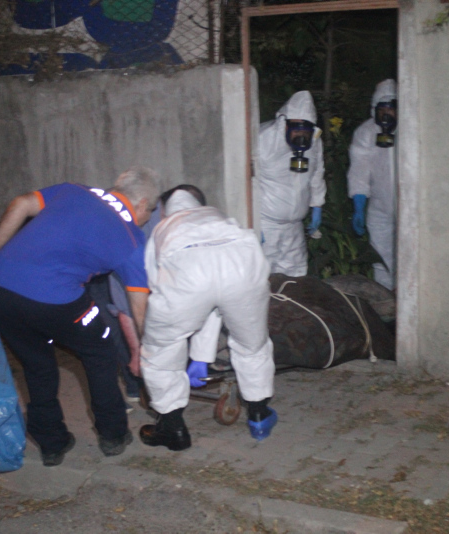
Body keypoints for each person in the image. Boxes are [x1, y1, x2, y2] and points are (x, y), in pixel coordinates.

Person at [0, 166, 160, 466]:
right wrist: (148, 351)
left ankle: (52, 444)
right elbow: (139, 310)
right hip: (53, 298)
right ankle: (112, 434)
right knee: (100, 351)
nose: (148, 217)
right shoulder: (131, 240)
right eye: (151, 210)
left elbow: (20, 204)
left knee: (36, 364)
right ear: (141, 204)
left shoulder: (74, 190)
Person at [139, 185, 277, 451]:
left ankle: (173, 429)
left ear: (165, 210)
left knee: (161, 352)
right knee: (252, 344)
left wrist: (192, 350)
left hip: (186, 267)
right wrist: (201, 356)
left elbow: (157, 285)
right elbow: (217, 297)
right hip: (243, 262)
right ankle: (259, 416)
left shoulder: (163, 228)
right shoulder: (221, 218)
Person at [257, 90, 326, 277]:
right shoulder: (263, 140)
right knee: (263, 278)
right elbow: (244, 179)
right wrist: (251, 223)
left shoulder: (314, 142)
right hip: (266, 225)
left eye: (306, 130)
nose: (302, 136)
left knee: (296, 277)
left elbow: (316, 173)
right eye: (297, 129)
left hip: (294, 227)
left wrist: (317, 204)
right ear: (284, 123)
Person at [347, 79, 398, 291]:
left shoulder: (411, 129)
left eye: (391, 109)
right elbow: (359, 170)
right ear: (374, 110)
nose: (387, 115)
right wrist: (359, 204)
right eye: (382, 109)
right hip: (379, 205)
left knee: (410, 256)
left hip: (411, 206)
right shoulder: (366, 133)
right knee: (381, 258)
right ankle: (386, 305)